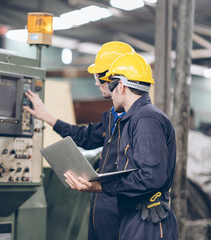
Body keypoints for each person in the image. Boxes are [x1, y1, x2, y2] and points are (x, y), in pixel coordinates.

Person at [24, 41, 134, 240]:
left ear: (116, 78)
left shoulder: (141, 122)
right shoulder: (111, 118)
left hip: (124, 215)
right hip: (103, 211)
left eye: (99, 77)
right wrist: (47, 116)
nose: (95, 83)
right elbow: (85, 138)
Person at [64, 52, 178, 239]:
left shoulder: (145, 118)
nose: (109, 93)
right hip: (132, 215)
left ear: (122, 86)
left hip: (146, 219)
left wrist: (100, 186)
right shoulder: (132, 118)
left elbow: (151, 177)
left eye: (111, 85)